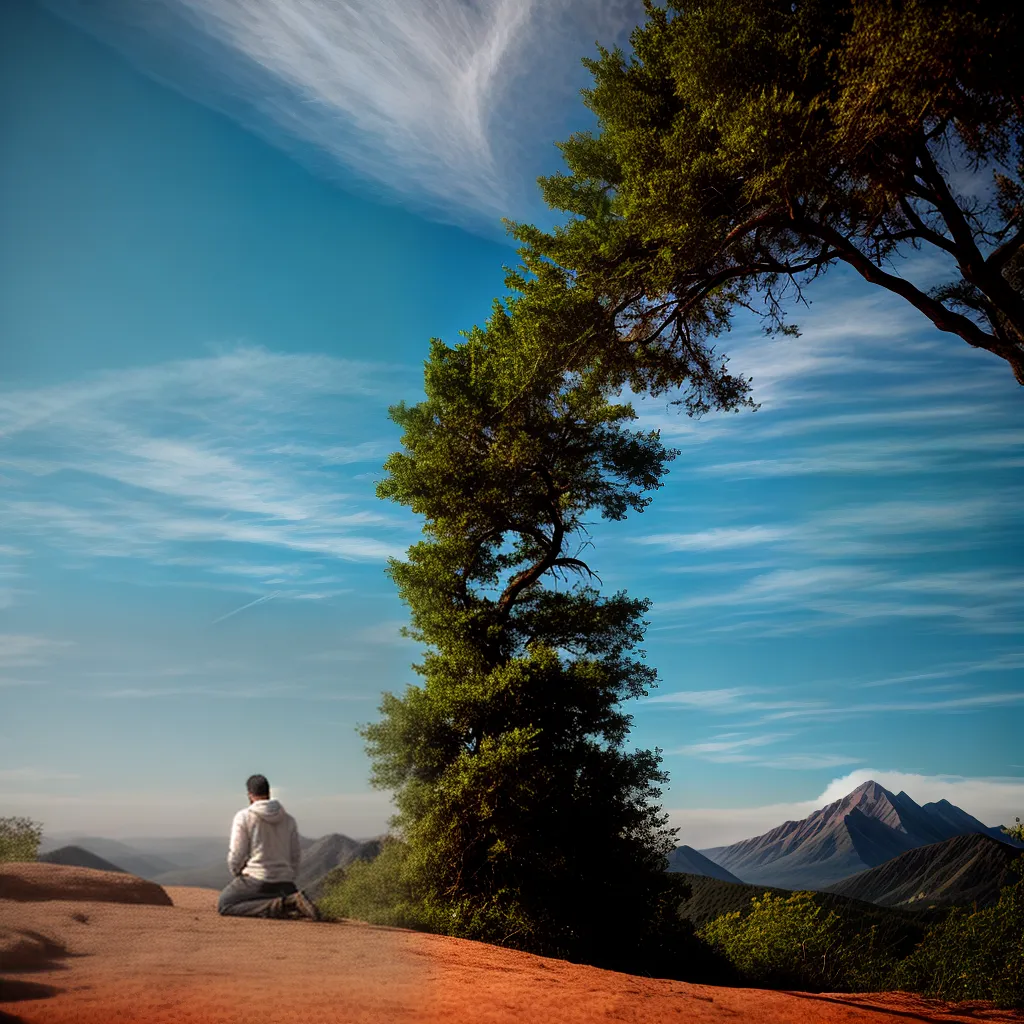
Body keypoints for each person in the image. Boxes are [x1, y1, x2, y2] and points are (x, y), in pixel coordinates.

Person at [216, 774, 319, 920]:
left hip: (257, 881)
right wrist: (289, 876)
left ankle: (281, 905)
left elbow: (236, 854)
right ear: (269, 793)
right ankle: (289, 901)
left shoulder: (244, 816)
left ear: (250, 795)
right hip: (286, 884)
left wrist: (237, 873)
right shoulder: (289, 819)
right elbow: (296, 855)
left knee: (225, 904)